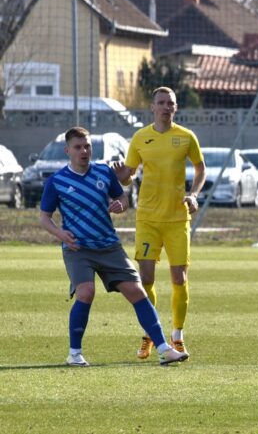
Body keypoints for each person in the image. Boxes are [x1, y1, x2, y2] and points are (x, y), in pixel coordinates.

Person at [39, 126, 188, 367]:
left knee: (137, 292)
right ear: (68, 150)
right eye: (78, 147)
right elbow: (44, 217)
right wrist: (60, 234)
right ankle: (74, 354)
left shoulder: (103, 173)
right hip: (78, 249)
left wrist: (121, 204)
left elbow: (123, 198)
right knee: (86, 293)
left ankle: (163, 348)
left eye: (87, 146)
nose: (84, 151)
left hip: (109, 247)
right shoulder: (56, 181)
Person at [113, 86, 206, 360]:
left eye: (171, 103)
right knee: (145, 279)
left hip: (177, 219)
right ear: (152, 108)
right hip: (148, 218)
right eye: (161, 103)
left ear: (175, 108)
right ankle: (151, 335)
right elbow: (129, 175)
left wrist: (193, 194)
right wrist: (123, 177)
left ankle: (177, 336)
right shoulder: (141, 138)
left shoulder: (186, 137)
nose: (166, 107)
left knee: (180, 278)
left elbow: (200, 169)